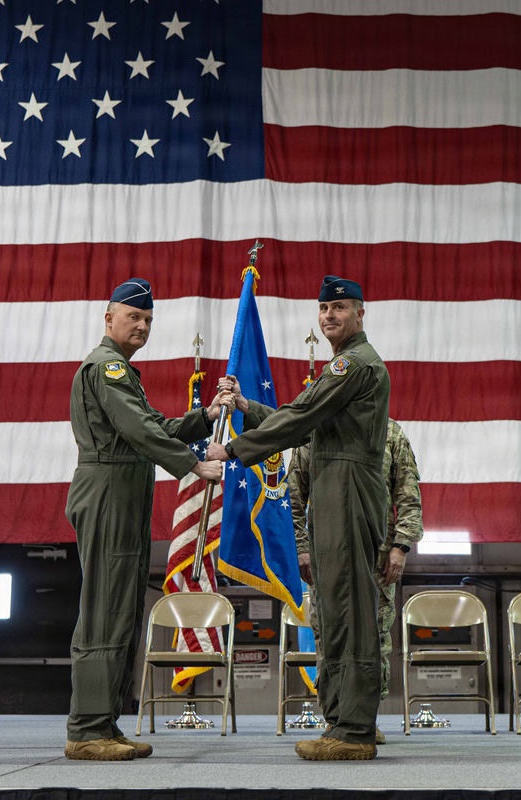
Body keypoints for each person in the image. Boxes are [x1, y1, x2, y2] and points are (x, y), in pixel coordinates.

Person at [207, 275, 390, 761]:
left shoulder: (354, 364)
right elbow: (308, 423)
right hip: (335, 488)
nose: (329, 315)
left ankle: (353, 730)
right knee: (333, 609)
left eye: (339, 308)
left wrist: (234, 449)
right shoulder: (344, 364)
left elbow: (302, 415)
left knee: (347, 609)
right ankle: (343, 721)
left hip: (347, 490)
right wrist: (247, 407)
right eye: (324, 309)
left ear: (360, 313)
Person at [64, 278, 229, 762]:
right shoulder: (108, 366)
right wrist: (193, 464)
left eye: (148, 320)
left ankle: (104, 723)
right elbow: (138, 428)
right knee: (105, 610)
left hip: (123, 491)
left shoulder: (122, 373)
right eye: (133, 316)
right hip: (109, 491)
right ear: (108, 317)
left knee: (122, 609)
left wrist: (205, 416)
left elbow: (154, 425)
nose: (142, 325)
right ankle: (86, 728)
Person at [289, 418, 423, 745]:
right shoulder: (317, 427)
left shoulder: (389, 432)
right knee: (329, 634)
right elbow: (292, 495)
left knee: (375, 637)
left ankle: (364, 719)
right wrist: (301, 547)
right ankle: (336, 719)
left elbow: (408, 493)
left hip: (377, 559)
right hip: (326, 556)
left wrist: (401, 546)